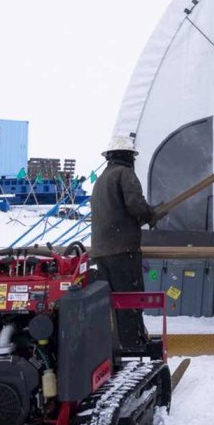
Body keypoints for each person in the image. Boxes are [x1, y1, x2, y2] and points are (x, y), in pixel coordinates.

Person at [89, 135, 163, 351]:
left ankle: (119, 343)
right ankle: (134, 345)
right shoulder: (125, 174)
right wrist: (150, 215)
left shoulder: (102, 179)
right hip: (122, 250)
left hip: (102, 251)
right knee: (130, 299)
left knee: (115, 300)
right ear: (128, 156)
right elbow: (135, 205)